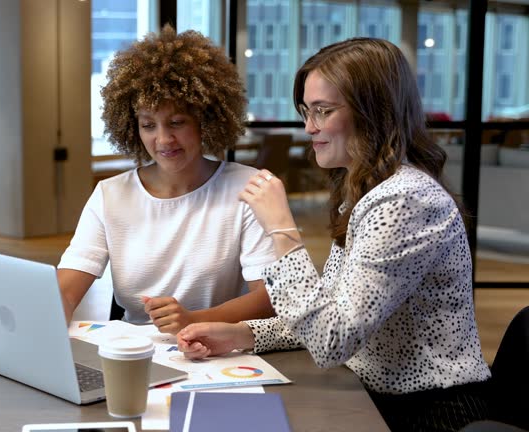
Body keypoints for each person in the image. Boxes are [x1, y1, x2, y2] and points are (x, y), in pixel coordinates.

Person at [177, 38, 492, 432]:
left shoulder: (406, 200)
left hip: (429, 413)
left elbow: (331, 341)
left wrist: (282, 229)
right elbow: (329, 312)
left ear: (373, 112)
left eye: (323, 112)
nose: (310, 127)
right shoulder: (369, 191)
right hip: (376, 397)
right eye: (307, 112)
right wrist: (241, 334)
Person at [57, 25, 277, 334]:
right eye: (148, 125)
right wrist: (50, 309)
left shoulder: (249, 189)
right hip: (134, 355)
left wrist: (194, 320)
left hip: (221, 349)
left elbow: (269, 299)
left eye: (176, 122)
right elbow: (66, 289)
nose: (163, 139)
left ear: (206, 120)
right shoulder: (110, 195)